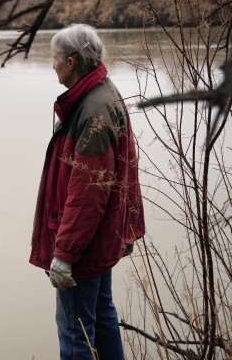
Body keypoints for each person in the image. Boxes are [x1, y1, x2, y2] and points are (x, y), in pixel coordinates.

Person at [29, 24, 145, 360]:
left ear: (73, 61)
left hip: (84, 246)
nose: (52, 64)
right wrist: (125, 229)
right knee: (102, 317)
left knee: (75, 332)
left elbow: (87, 195)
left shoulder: (92, 109)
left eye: (55, 58)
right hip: (100, 237)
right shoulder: (99, 95)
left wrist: (65, 255)